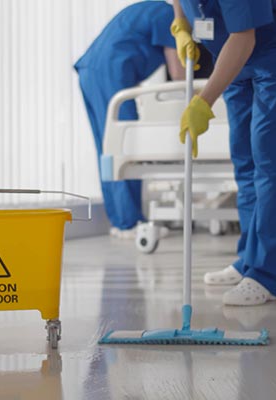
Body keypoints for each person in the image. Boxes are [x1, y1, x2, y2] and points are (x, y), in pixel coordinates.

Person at [171, 0, 276, 305]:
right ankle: (249, 258)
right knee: (244, 158)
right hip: (232, 50)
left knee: (268, 158)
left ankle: (266, 275)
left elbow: (244, 36)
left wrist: (203, 101)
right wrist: (181, 23)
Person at [74, 1, 185, 239]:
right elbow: (179, 74)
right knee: (124, 146)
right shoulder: (170, 16)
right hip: (110, 74)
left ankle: (121, 220)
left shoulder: (154, 10)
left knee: (109, 148)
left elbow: (128, 47)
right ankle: (129, 223)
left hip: (97, 72)